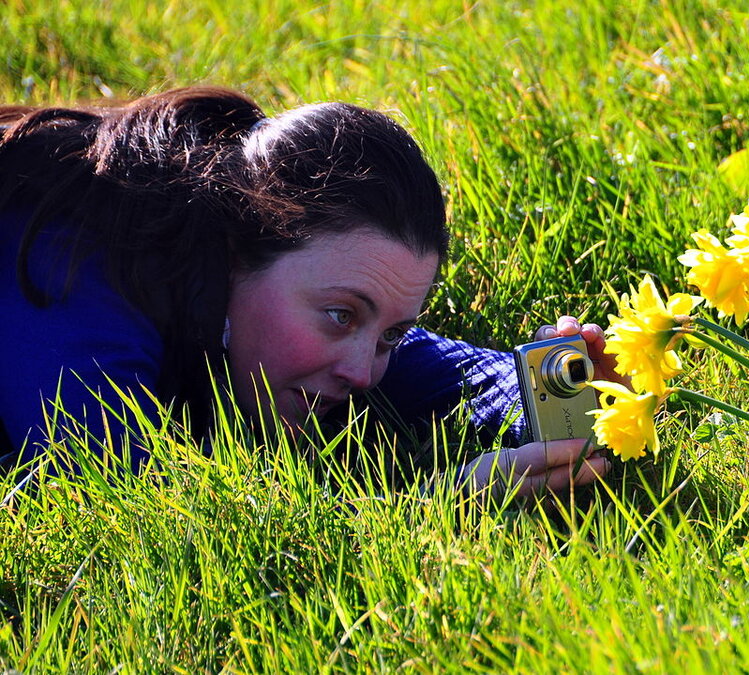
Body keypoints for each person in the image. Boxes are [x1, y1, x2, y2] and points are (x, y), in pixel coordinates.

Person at [0, 86, 611, 497]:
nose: (363, 373)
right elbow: (124, 504)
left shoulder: (290, 282)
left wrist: (554, 394)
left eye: (389, 333)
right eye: (341, 316)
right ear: (236, 254)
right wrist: (442, 503)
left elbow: (459, 376)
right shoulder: (70, 260)